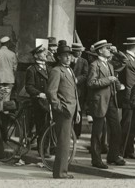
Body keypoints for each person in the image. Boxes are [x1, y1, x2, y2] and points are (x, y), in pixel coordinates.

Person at [87, 39, 125, 168]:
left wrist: (117, 51)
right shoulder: (94, 65)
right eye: (106, 48)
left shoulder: (109, 64)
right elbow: (91, 83)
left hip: (111, 101)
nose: (109, 50)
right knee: (97, 133)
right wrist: (107, 80)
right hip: (100, 102)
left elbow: (123, 61)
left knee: (116, 129)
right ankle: (96, 160)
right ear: (99, 51)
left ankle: (113, 156)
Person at [46, 44, 81, 179]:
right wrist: (60, 108)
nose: (68, 57)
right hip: (63, 112)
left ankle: (62, 171)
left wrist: (77, 110)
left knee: (66, 142)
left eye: (70, 55)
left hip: (71, 110)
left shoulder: (70, 71)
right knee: (63, 142)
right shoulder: (56, 71)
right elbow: (51, 92)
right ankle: (60, 173)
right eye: (65, 55)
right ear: (59, 57)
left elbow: (74, 93)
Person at [117, 37, 135, 159]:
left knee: (131, 125)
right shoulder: (127, 60)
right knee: (126, 125)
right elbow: (128, 82)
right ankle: (120, 152)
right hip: (129, 96)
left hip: (130, 95)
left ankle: (128, 151)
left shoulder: (131, 59)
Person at [25, 45, 52, 156]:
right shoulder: (32, 70)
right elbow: (29, 86)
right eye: (42, 52)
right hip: (39, 101)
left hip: (49, 100)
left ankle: (48, 148)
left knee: (49, 124)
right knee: (42, 126)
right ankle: (43, 150)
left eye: (45, 52)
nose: (45, 54)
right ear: (36, 55)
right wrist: (38, 93)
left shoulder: (49, 69)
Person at [70, 42, 89, 138]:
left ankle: (76, 133)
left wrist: (77, 79)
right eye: (78, 51)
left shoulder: (84, 61)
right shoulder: (68, 59)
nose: (80, 53)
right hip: (68, 89)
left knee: (79, 111)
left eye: (81, 51)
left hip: (79, 90)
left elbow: (86, 75)